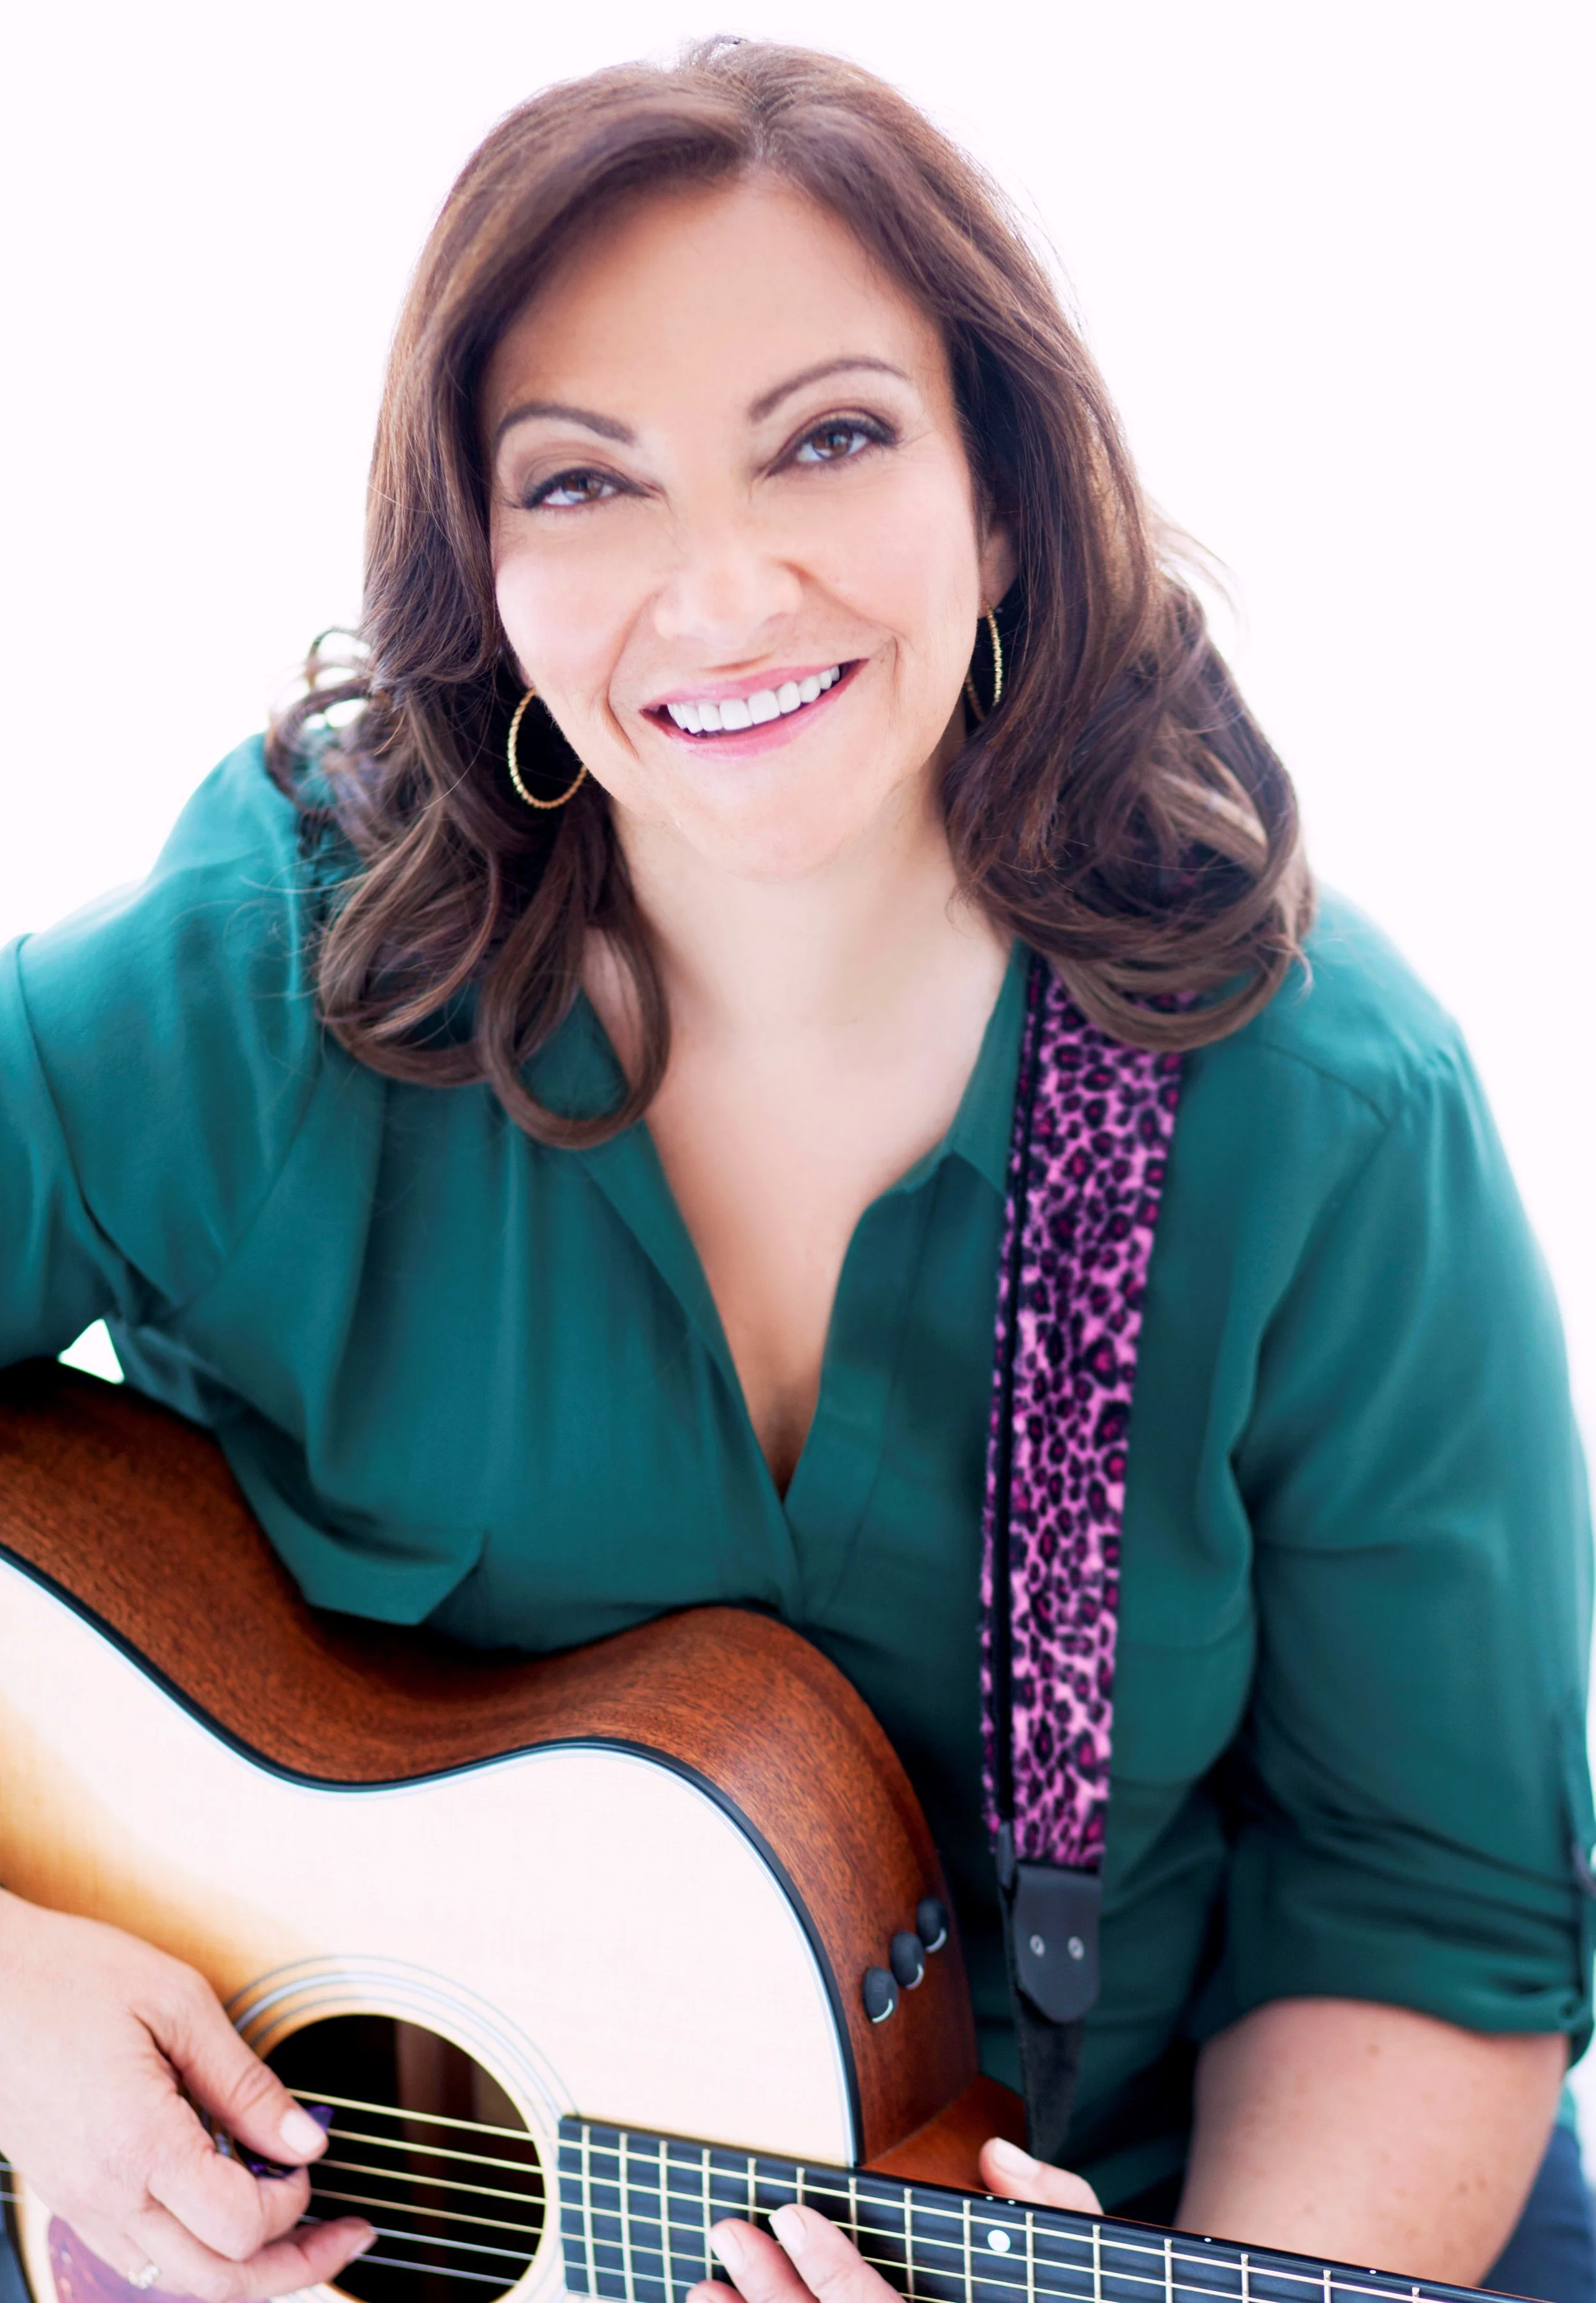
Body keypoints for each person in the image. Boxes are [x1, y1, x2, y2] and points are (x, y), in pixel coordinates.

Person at [1, 34, 1592, 2303]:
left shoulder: (1327, 1112)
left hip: (1173, 2219)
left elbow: (1435, 1923)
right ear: (481, 567)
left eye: (828, 438)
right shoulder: (258, 984)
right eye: (581, 484)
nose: (723, 587)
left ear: (1003, 496)